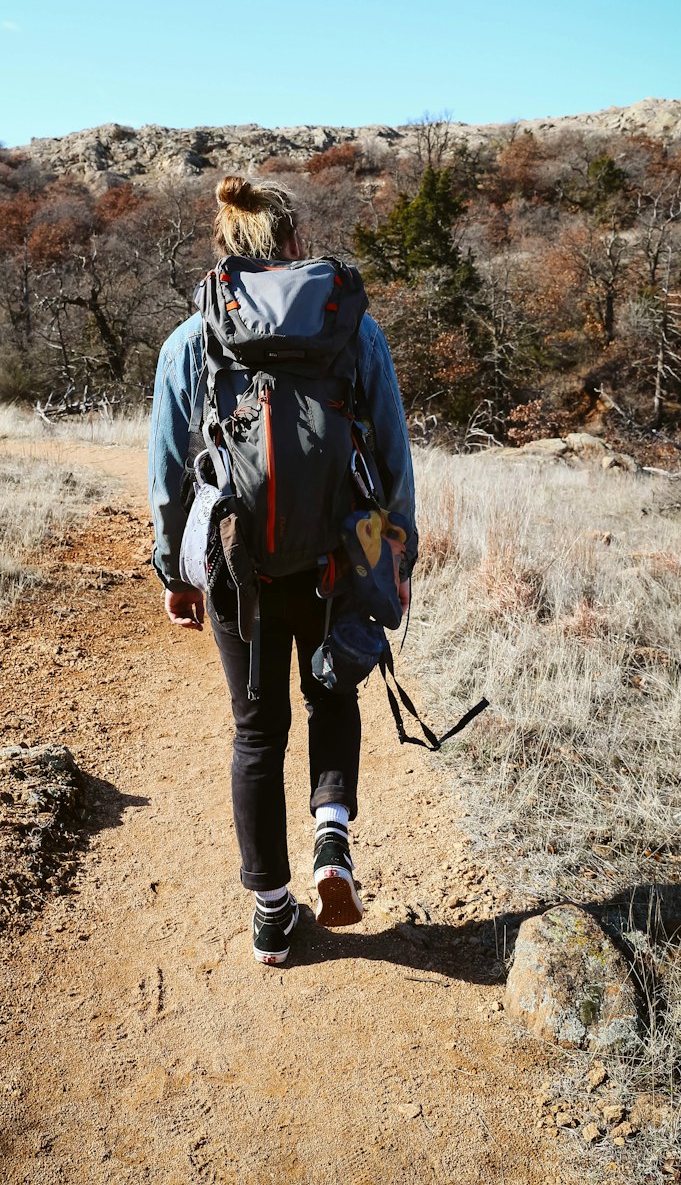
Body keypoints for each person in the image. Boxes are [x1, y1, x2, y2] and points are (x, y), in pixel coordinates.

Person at [148, 175, 417, 965]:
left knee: (257, 731)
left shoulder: (189, 339)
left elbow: (169, 473)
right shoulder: (353, 330)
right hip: (335, 556)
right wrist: (393, 551)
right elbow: (393, 455)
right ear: (294, 241)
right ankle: (333, 841)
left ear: (227, 247)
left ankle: (271, 914)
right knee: (333, 690)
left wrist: (176, 572)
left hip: (240, 569)